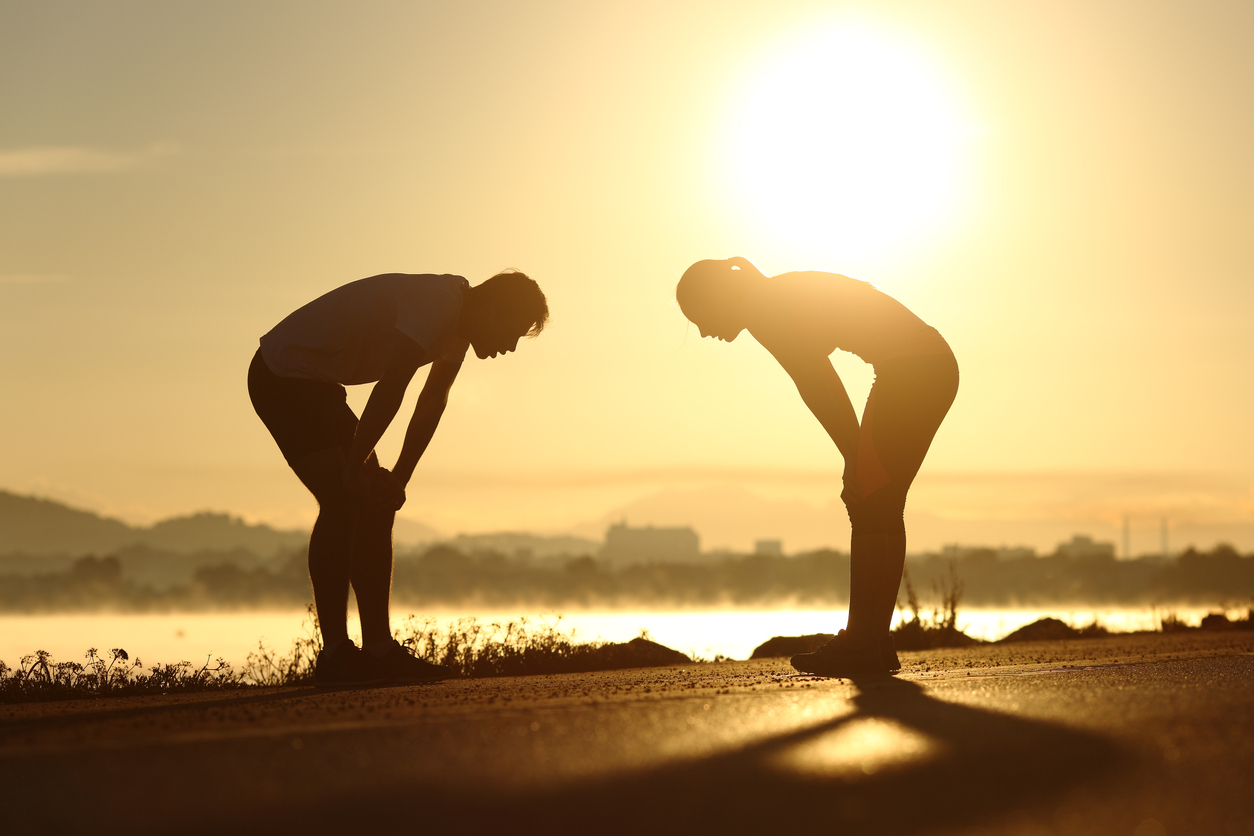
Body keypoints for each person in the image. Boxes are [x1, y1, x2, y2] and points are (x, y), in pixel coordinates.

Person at [248, 270, 548, 687]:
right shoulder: (439, 303)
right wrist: (354, 466)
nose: (509, 346)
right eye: (511, 333)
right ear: (494, 309)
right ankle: (335, 655)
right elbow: (394, 386)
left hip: (319, 386)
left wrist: (399, 480)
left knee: (376, 501)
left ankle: (378, 651)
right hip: (281, 374)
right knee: (342, 497)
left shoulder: (459, 326)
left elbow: (431, 402)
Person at [676, 257, 958, 677]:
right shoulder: (769, 294)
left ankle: (861, 643)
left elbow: (818, 384)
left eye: (699, 316)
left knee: (869, 502)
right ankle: (876, 642)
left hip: (911, 368)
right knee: (883, 503)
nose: (702, 330)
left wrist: (852, 458)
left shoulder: (761, 307)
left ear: (716, 296)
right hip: (933, 364)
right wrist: (855, 457)